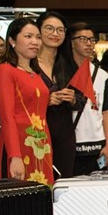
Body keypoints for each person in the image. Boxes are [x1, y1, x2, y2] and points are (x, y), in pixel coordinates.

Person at [0, 18, 54, 186]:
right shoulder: (5, 71)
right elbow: (7, 116)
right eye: (28, 36)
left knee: (42, 197)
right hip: (17, 144)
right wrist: (14, 155)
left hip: (41, 143)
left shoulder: (36, 73)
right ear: (12, 40)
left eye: (38, 37)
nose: (35, 42)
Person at [68, 22, 108, 176]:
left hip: (97, 145)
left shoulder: (102, 75)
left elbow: (107, 112)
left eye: (92, 40)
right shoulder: (61, 71)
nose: (89, 44)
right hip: (70, 145)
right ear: (71, 42)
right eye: (83, 39)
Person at [36, 11, 77, 179]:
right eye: (49, 28)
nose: (55, 34)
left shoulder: (68, 64)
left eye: (60, 30)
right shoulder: (28, 64)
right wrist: (44, 101)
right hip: (36, 134)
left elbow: (81, 99)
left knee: (63, 183)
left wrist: (73, 98)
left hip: (64, 133)